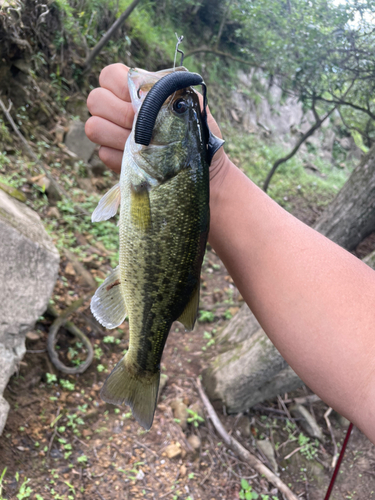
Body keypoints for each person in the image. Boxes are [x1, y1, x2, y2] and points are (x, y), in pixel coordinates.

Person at [85, 63, 375, 445]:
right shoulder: (158, 171)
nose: (176, 105)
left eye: (179, 111)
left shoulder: (149, 174)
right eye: (178, 109)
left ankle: (141, 367)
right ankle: (142, 362)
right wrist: (215, 173)